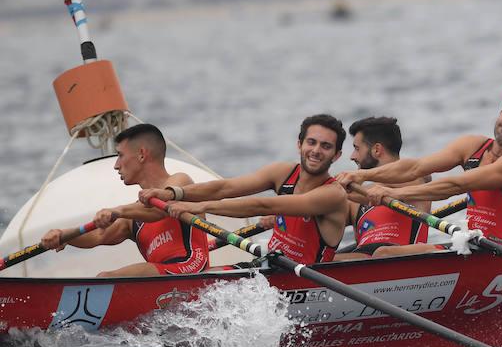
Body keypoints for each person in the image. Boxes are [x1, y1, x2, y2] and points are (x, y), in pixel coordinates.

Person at [334, 93, 502, 251]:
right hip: (473, 248)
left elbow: (457, 185)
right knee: (383, 254)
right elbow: (415, 167)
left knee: (385, 255)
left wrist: (394, 194)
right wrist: (362, 176)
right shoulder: (472, 145)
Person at [148, 114, 350, 265]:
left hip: (308, 283)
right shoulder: (282, 172)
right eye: (311, 142)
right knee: (207, 279)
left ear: (336, 155)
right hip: (271, 268)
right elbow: (224, 188)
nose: (316, 151)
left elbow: (262, 204)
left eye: (325, 146)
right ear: (300, 145)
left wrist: (201, 207)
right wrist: (172, 193)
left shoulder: (332, 194)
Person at [40, 123, 211, 277]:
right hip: (165, 275)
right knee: (106, 277)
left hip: (191, 268)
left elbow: (158, 210)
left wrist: (117, 210)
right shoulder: (132, 217)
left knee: (105, 278)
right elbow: (98, 235)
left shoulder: (180, 182)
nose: (116, 165)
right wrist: (65, 236)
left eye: (120, 155)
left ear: (141, 155)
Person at [332, 116, 431, 261]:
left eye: (357, 149)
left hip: (402, 259)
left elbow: (403, 174)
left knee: (382, 253)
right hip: (362, 260)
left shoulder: (415, 180)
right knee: (324, 260)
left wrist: (359, 177)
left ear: (377, 150)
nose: (352, 157)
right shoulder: (353, 201)